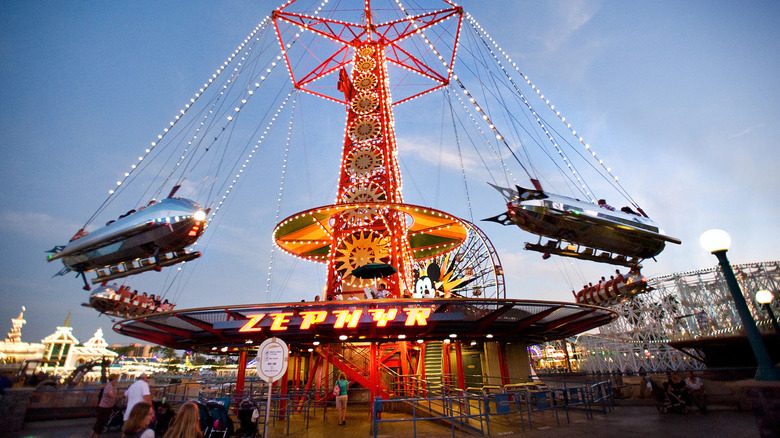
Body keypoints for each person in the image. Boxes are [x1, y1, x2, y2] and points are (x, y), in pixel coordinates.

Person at [90, 373, 119, 438]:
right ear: (114, 379)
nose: (117, 380)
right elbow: (112, 395)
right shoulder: (109, 387)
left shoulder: (111, 386)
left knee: (98, 422)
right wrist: (121, 396)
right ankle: (96, 436)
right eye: (116, 379)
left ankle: (91, 435)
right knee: (101, 423)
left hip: (106, 406)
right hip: (105, 407)